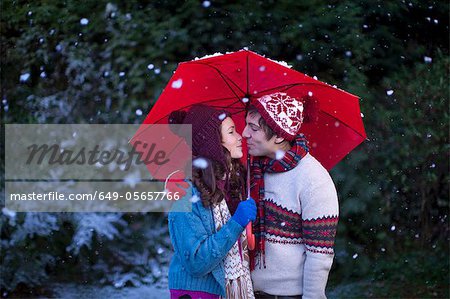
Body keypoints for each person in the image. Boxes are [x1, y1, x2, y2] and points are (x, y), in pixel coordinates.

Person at [242, 92, 339, 299]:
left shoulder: (313, 179)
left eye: (254, 128)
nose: (244, 134)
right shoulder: (253, 170)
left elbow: (319, 254)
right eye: (245, 125)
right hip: (247, 292)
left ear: (279, 135)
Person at [167, 104, 257, 299]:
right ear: (213, 142)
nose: (240, 137)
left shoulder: (232, 185)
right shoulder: (186, 193)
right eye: (232, 132)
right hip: (196, 293)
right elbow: (196, 262)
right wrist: (236, 224)